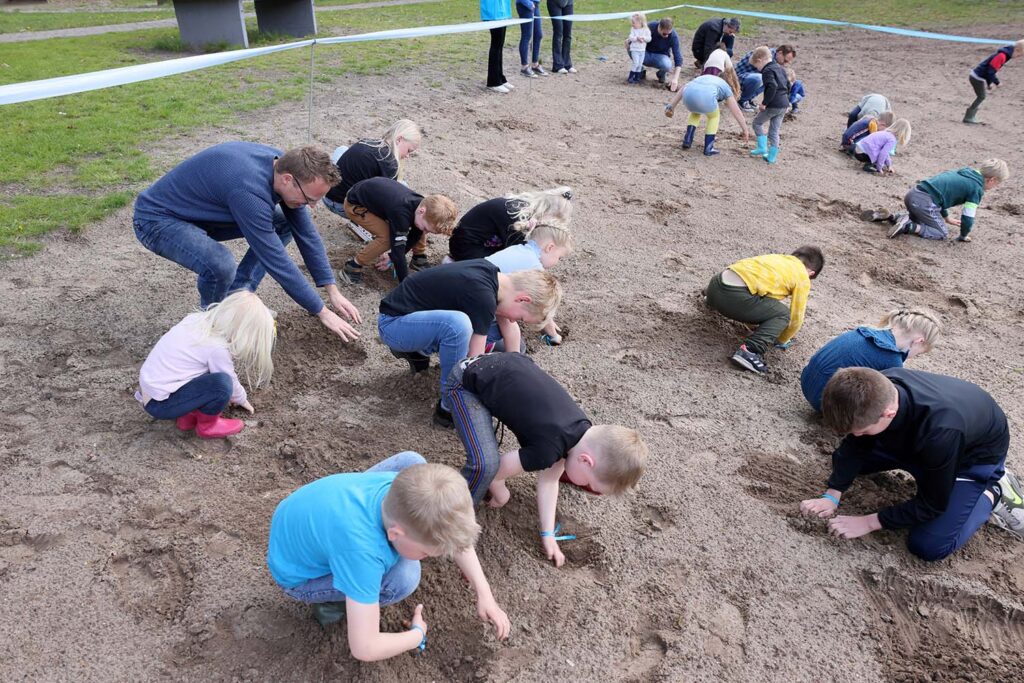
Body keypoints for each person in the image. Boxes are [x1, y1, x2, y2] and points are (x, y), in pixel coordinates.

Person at [267, 451, 511, 658]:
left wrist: (484, 593)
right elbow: (364, 648)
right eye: (426, 552)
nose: (429, 558)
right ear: (395, 533)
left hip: (306, 517)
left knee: (411, 459)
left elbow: (452, 529)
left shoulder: (406, 481)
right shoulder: (362, 551)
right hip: (297, 576)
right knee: (404, 578)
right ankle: (330, 605)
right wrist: (417, 635)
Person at [133, 143, 361, 341]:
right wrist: (322, 312)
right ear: (288, 179)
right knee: (220, 265)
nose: (311, 206)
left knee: (283, 222)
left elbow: (307, 233)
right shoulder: (249, 191)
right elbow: (275, 260)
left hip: (200, 214)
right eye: (309, 199)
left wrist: (332, 289)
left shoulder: (283, 166)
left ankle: (236, 298)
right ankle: (212, 326)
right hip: (158, 220)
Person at [799, 368, 1024, 560]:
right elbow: (853, 447)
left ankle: (993, 490)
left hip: (969, 458)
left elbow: (932, 504)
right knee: (851, 461)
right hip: (924, 440)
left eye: (862, 431)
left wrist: (869, 522)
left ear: (888, 413)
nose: (856, 435)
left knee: (928, 546)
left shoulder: (940, 432)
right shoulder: (876, 388)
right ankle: (916, 461)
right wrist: (832, 495)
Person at [446, 353, 648, 566]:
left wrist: (548, 534)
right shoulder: (548, 450)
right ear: (586, 461)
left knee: (491, 460)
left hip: (499, 363)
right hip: (465, 383)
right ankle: (452, 515)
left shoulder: (578, 431)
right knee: (485, 465)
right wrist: (501, 493)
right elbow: (496, 472)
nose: (585, 486)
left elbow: (550, 481)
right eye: (589, 484)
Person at [377, 261, 562, 426]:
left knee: (495, 327)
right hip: (394, 325)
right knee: (458, 325)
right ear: (523, 299)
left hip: (420, 322)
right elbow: (475, 361)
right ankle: (450, 404)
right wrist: (479, 391)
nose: (516, 320)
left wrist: (516, 368)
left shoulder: (495, 278)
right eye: (521, 317)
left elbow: (510, 327)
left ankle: (422, 351)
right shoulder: (482, 295)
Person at [135, 290, 274, 439]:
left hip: (150, 393)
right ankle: (208, 425)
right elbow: (230, 381)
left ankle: (187, 417)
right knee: (221, 384)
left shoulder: (195, 319)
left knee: (198, 369)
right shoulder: (217, 348)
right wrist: (242, 399)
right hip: (161, 405)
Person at [705, 246, 824, 375]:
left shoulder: (777, 258)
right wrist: (781, 339)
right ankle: (750, 351)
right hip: (732, 298)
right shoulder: (802, 277)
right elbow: (796, 318)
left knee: (756, 292)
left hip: (714, 286)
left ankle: (709, 300)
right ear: (811, 273)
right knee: (783, 314)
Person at [800, 308, 941, 412]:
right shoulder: (892, 358)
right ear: (918, 341)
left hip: (807, 385)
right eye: (918, 354)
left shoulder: (866, 331)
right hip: (825, 403)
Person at [337, 178, 457, 284]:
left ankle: (418, 259)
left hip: (376, 200)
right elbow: (398, 251)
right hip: (355, 205)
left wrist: (391, 257)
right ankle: (352, 266)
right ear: (422, 211)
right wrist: (405, 283)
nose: (426, 232)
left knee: (418, 229)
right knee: (387, 238)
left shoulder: (422, 205)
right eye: (427, 228)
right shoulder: (401, 213)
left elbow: (415, 234)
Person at [877, 159, 1010, 241]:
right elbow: (968, 217)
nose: (993, 188)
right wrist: (963, 235)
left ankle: (892, 216)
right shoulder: (976, 189)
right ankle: (907, 226)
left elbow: (940, 195)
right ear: (992, 180)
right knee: (941, 233)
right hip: (924, 203)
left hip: (913, 194)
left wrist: (946, 218)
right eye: (996, 185)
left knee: (923, 219)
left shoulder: (964, 172)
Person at [486, 222, 574, 345]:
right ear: (550, 248)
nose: (557, 262)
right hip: (481, 306)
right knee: (503, 333)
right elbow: (541, 305)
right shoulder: (534, 267)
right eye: (559, 257)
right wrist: (554, 336)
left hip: (478, 291)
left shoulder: (518, 249)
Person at [323, 120, 422, 220]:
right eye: (409, 151)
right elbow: (387, 201)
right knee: (402, 186)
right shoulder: (389, 163)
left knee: (342, 149)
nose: (408, 156)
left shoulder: (369, 142)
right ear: (399, 140)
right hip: (342, 206)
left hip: (327, 194)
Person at [449, 187, 572, 261]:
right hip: (466, 249)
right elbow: (518, 252)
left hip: (467, 242)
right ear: (545, 211)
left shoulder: (522, 206)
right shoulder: (520, 217)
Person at [664, 67, 750, 156]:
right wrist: (745, 129)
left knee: (695, 112)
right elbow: (736, 111)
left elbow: (683, 88)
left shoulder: (706, 77)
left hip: (688, 96)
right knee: (714, 117)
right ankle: (709, 147)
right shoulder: (725, 86)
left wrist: (671, 106)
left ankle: (687, 139)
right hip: (706, 97)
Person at [748, 45, 790, 165]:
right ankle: (771, 156)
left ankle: (762, 148)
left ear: (760, 60)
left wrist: (764, 103)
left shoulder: (767, 71)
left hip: (774, 104)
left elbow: (772, 86)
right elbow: (788, 84)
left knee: (757, 123)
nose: (758, 69)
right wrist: (787, 100)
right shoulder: (779, 67)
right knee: (774, 130)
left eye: (756, 66)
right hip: (784, 104)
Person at [964, 40, 1023, 124]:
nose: (1018, 57)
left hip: (978, 77)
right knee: (981, 96)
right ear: (1017, 50)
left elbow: (990, 71)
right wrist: (997, 82)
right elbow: (990, 71)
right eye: (1019, 55)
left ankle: (970, 116)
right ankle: (969, 117)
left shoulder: (1005, 54)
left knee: (981, 96)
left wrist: (989, 83)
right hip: (976, 77)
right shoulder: (1002, 56)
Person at [735, 45, 796, 111]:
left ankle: (748, 98)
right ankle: (742, 100)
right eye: (785, 60)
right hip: (737, 78)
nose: (784, 63)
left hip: (749, 77)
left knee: (769, 79)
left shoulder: (774, 59)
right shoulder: (766, 56)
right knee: (763, 78)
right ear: (780, 53)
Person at [631, 17, 683, 91]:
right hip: (645, 53)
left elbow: (678, 57)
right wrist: (629, 40)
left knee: (667, 64)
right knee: (631, 47)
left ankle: (661, 74)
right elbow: (636, 34)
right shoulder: (650, 27)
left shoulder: (673, 36)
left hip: (661, 57)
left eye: (669, 33)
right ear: (659, 28)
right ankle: (640, 70)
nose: (667, 36)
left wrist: (675, 79)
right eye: (664, 34)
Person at [481, 0, 513, 93]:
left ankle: (500, 78)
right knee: (496, 46)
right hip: (493, 13)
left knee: (500, 46)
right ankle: (493, 82)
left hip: (502, 12)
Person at [516, 0, 546, 78]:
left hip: (535, 5)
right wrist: (528, 3)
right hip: (524, 5)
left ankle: (535, 64)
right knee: (527, 35)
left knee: (538, 35)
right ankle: (524, 67)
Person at [547, 0, 575, 74]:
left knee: (568, 34)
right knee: (558, 33)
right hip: (554, 3)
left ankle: (567, 64)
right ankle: (558, 65)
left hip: (568, 3)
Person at [626, 12, 652, 85]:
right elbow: (630, 37)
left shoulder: (646, 30)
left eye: (634, 23)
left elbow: (649, 39)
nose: (632, 24)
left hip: (642, 50)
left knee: (640, 64)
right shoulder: (633, 29)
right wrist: (637, 38)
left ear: (640, 22)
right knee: (636, 63)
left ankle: (637, 77)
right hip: (634, 49)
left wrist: (643, 38)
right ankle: (631, 77)